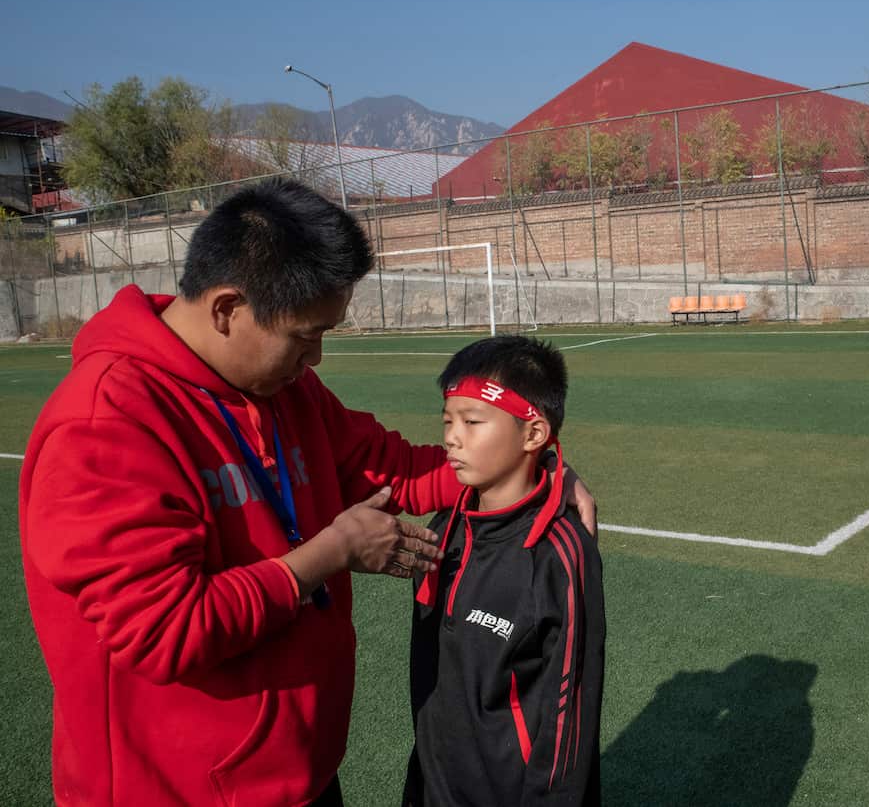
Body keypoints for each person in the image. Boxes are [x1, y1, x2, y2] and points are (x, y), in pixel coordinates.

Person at [18, 179, 596, 806]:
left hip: (298, 774)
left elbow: (391, 467)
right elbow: (166, 631)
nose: (316, 358)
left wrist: (533, 468)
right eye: (304, 336)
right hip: (175, 790)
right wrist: (329, 553)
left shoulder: (285, 391)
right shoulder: (106, 421)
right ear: (226, 309)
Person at [405, 336, 604, 806]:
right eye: (448, 421)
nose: (451, 437)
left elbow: (569, 713)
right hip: (437, 783)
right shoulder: (445, 528)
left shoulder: (561, 554)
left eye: (472, 422)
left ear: (533, 435)